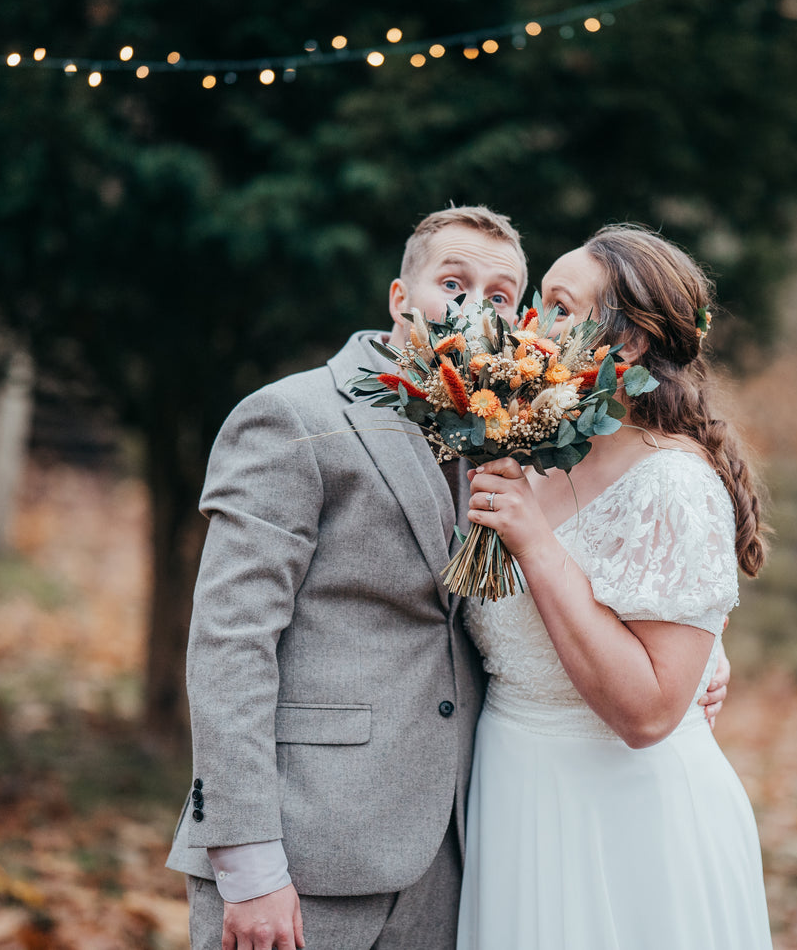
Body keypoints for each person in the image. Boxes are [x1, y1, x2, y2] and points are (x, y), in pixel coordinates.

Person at [164, 205, 733, 950]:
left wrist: (701, 653)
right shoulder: (292, 419)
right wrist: (246, 862)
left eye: (502, 297)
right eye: (452, 282)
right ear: (400, 299)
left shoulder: (522, 441)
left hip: (467, 856)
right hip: (305, 856)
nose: (475, 308)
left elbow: (610, 576)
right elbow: (228, 644)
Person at [457, 224, 773, 948]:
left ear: (626, 345)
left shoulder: (675, 483)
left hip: (629, 828)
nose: (532, 326)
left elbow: (650, 713)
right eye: (536, 304)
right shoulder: (524, 452)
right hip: (512, 798)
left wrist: (535, 542)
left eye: (560, 309)